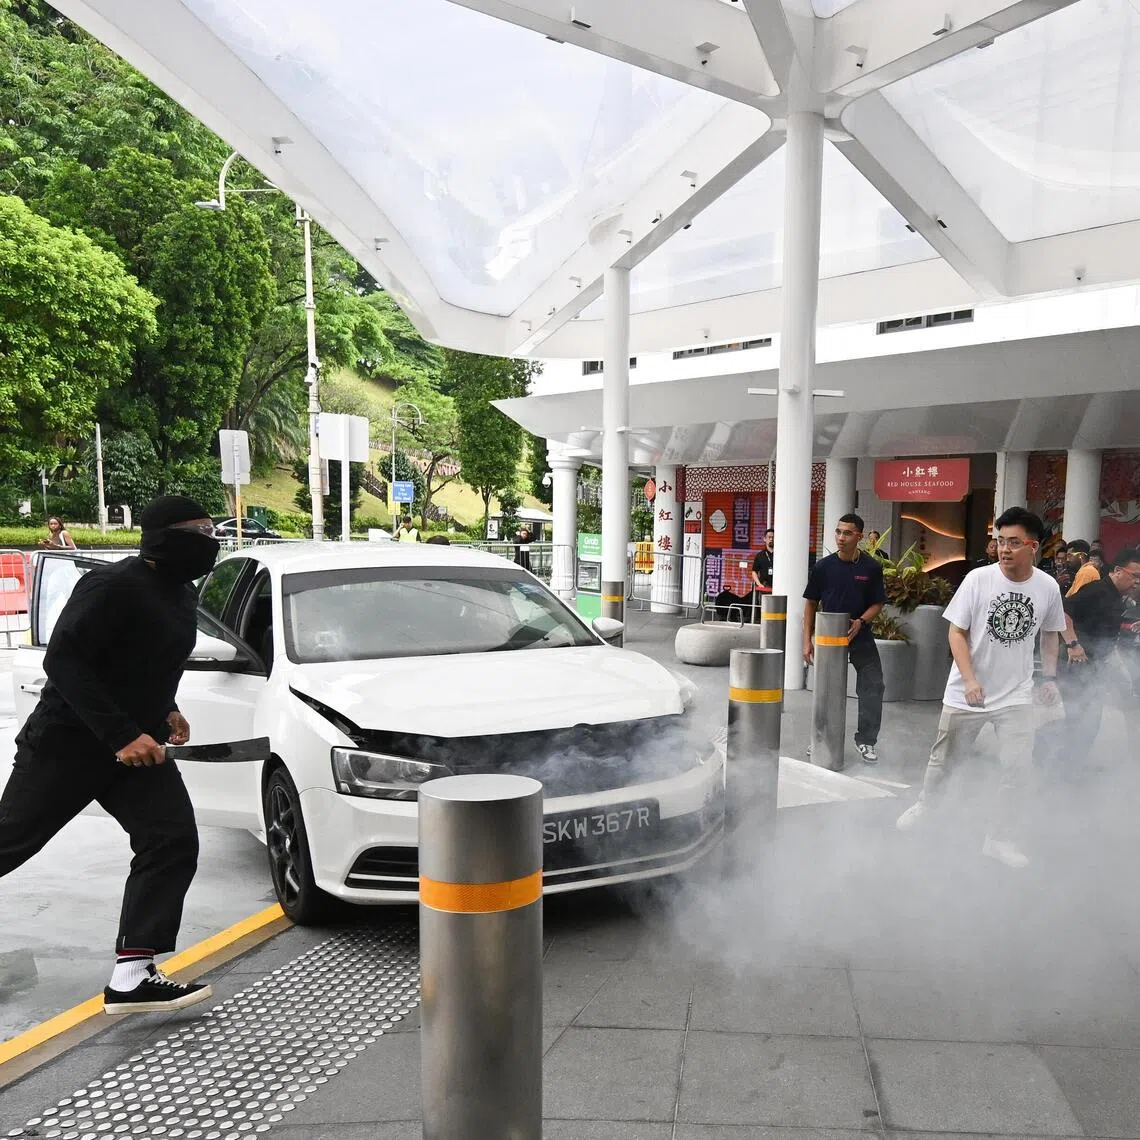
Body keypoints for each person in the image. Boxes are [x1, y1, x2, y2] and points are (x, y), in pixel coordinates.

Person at [0, 495, 221, 1013]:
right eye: (200, 532)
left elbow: (146, 662)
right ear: (163, 536)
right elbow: (65, 662)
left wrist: (167, 710)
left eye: (213, 532)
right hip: (68, 746)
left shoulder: (181, 593)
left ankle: (133, 973)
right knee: (10, 842)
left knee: (171, 840)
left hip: (137, 750)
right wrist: (121, 735)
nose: (210, 542)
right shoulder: (111, 585)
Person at [895, 507, 1066, 869]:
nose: (1004, 549)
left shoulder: (1047, 587)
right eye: (1000, 541)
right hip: (966, 692)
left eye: (1013, 543)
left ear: (1033, 546)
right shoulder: (978, 579)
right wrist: (971, 679)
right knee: (944, 761)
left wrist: (1049, 678)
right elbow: (956, 632)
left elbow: (1051, 635)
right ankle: (927, 805)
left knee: (1018, 770)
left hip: (1016, 694)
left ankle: (999, 838)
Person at [802, 513, 886, 763]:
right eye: (838, 532)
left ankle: (866, 741)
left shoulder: (871, 567)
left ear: (859, 536)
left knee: (874, 685)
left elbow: (878, 603)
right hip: (829, 636)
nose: (841, 537)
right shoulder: (823, 567)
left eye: (847, 533)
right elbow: (810, 604)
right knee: (826, 690)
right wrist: (806, 641)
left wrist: (861, 622)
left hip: (859, 634)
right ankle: (820, 738)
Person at [1056, 547, 1140, 758]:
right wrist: (1073, 644)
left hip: (1098, 665)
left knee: (1090, 721)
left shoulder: (1117, 595)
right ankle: (1059, 764)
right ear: (1118, 570)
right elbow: (1063, 611)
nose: (1137, 582)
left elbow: (1106, 634)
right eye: (1135, 576)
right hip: (1077, 666)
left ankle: (1068, 763)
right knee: (1082, 721)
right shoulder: (1096, 590)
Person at [751, 529, 775, 596]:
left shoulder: (780, 555)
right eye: (769, 537)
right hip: (764, 588)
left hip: (778, 587)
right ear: (764, 539)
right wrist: (759, 584)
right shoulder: (760, 555)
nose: (771, 539)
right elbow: (754, 571)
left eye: (773, 537)